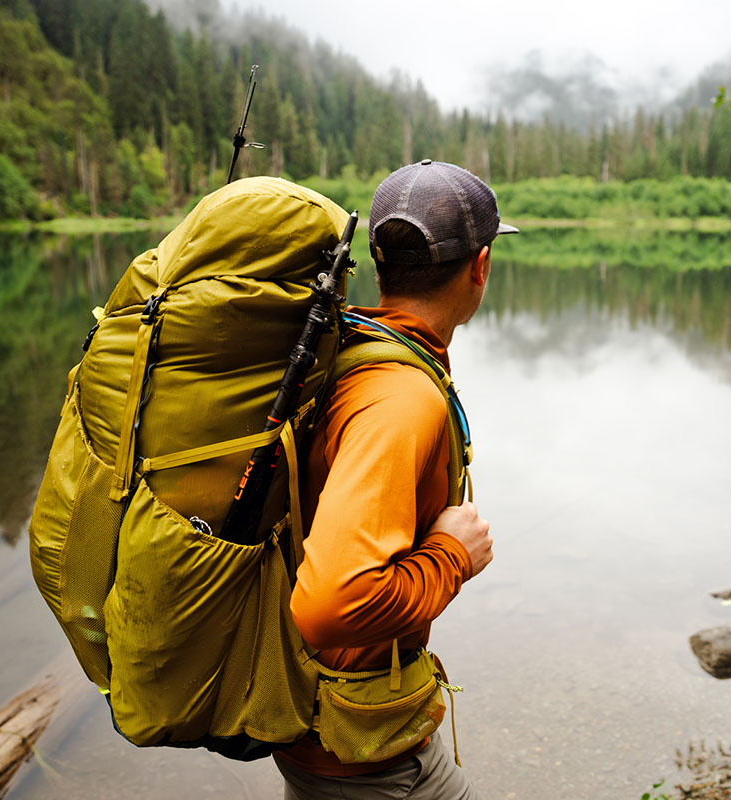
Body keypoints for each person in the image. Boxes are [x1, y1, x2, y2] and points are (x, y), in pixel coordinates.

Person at [273, 160, 517, 799]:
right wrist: (452, 557)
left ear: (382, 267)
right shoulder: (400, 399)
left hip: (323, 725)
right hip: (367, 761)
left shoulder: (356, 348)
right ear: (480, 266)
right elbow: (331, 605)